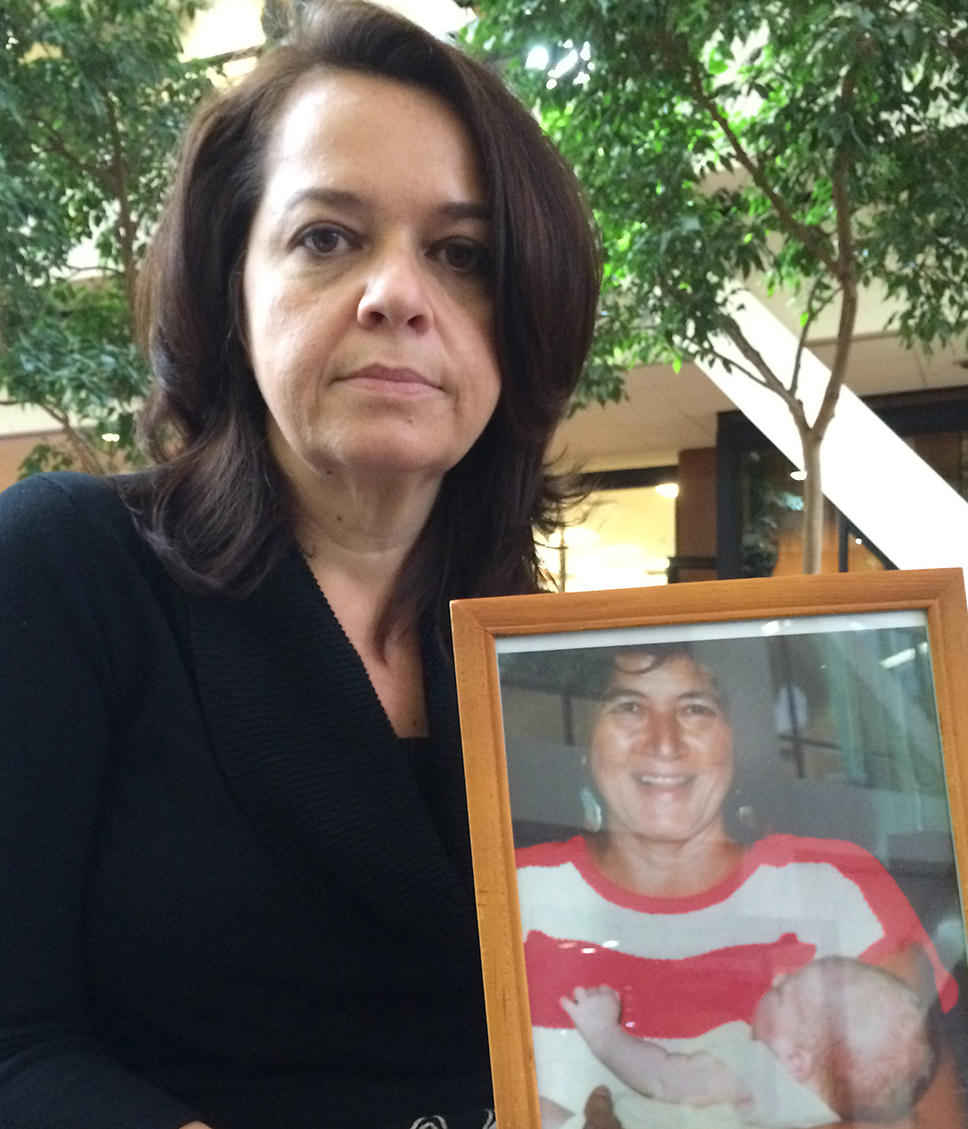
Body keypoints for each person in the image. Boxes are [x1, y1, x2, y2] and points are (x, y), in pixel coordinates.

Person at [0, 4, 602, 1128]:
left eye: (461, 255)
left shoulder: (543, 655)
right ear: (231, 285)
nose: (396, 295)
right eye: (327, 238)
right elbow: (15, 1050)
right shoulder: (65, 569)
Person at [515, 645, 965, 1129]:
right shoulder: (509, 892)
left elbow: (923, 1113)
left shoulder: (838, 889)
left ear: (736, 740)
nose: (664, 743)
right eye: (628, 707)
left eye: (695, 709)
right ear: (586, 739)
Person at [558, 957, 935, 1128]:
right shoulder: (808, 1110)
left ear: (796, 1061)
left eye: (784, 993)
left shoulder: (759, 1074)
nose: (777, 979)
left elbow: (665, 1079)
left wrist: (603, 1032)